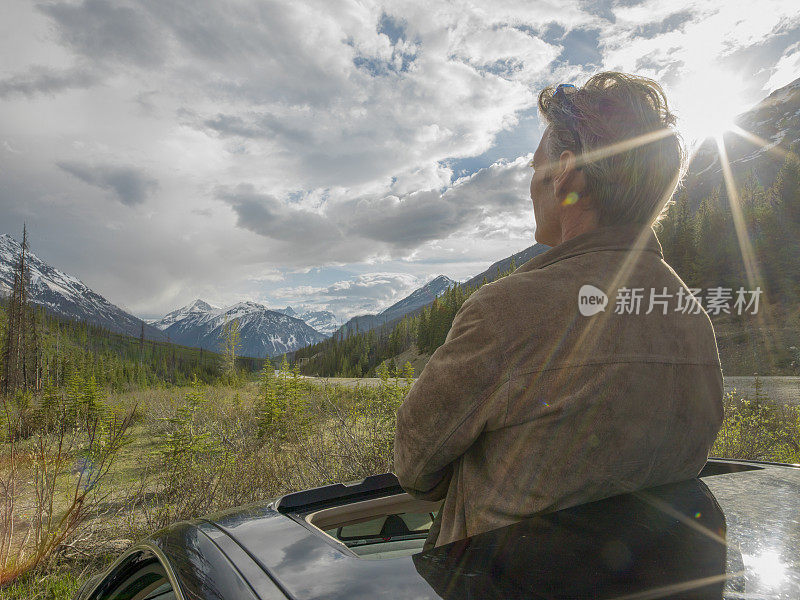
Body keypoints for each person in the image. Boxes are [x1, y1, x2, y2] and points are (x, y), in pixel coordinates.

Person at [393, 72, 724, 550]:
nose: (531, 183)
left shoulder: (505, 311)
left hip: (504, 580)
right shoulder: (691, 316)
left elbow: (415, 465)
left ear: (565, 170)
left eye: (534, 166)